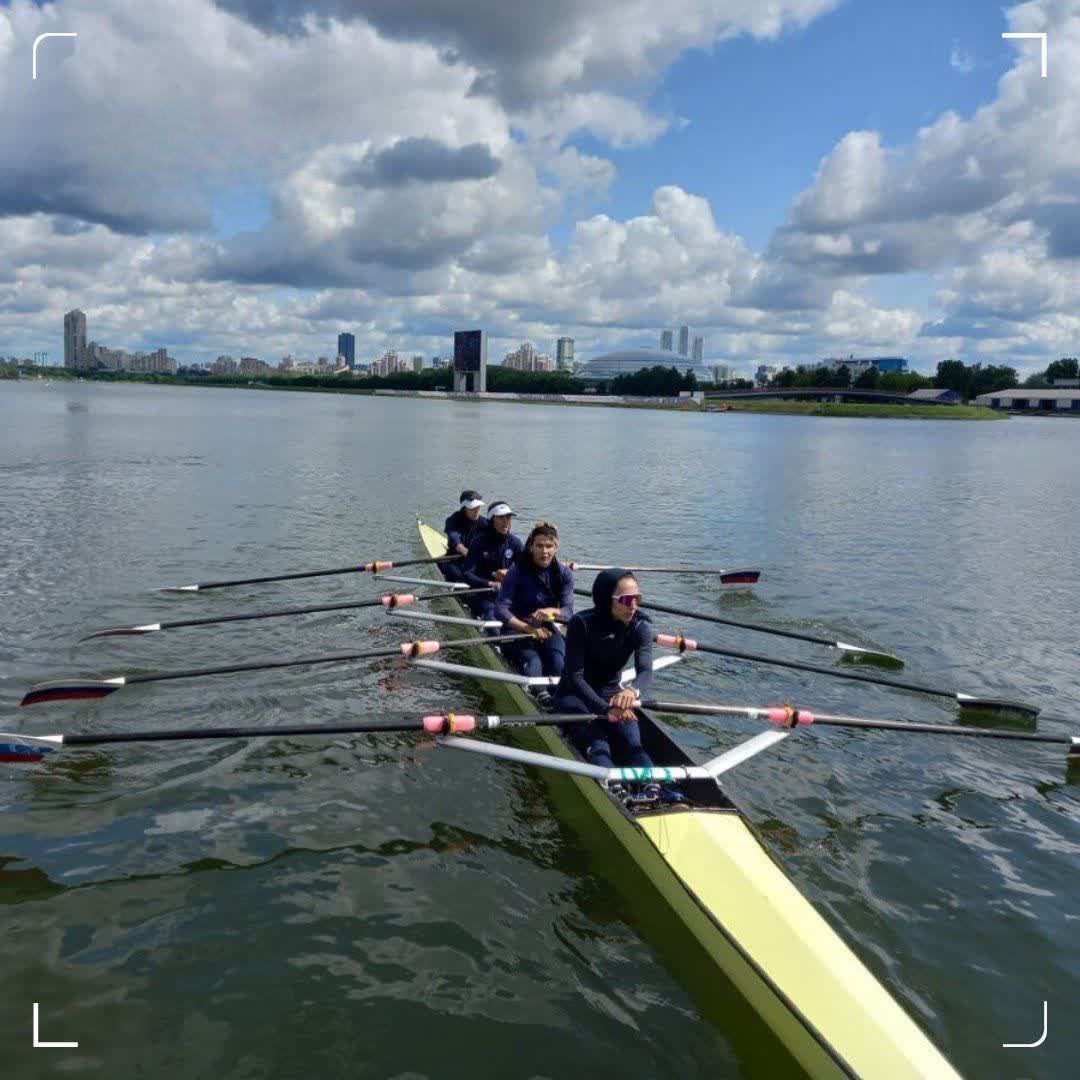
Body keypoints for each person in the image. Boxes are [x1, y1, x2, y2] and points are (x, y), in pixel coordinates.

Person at [551, 568, 653, 770]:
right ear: (606, 599)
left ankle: (655, 787)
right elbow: (575, 676)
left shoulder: (641, 626)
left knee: (633, 744)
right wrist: (606, 708)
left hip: (612, 692)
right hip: (574, 694)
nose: (633, 606)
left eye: (637, 598)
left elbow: (645, 671)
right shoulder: (581, 623)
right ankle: (611, 782)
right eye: (625, 599)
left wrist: (631, 691)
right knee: (598, 741)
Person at [495, 522, 573, 681]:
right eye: (539, 546)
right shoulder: (517, 571)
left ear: (556, 548)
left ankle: (562, 697)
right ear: (531, 547)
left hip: (546, 629)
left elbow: (568, 612)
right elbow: (500, 609)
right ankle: (540, 696)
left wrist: (553, 611)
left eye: (549, 546)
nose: (544, 551)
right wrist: (528, 628)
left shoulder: (564, 574)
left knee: (559, 662)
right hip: (515, 629)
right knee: (533, 661)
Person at [462, 501, 523, 621]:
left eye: (508, 517)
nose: (506, 521)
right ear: (492, 520)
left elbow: (530, 567)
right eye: (501, 517)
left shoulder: (515, 542)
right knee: (492, 617)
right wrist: (490, 583)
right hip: (484, 594)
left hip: (508, 594)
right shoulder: (479, 542)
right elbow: (466, 574)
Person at [443, 491, 488, 583]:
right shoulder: (453, 520)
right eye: (473, 507)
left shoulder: (484, 522)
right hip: (454, 559)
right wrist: (460, 547)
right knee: (460, 577)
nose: (477, 510)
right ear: (465, 507)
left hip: (474, 560)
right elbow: (452, 534)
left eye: (478, 506)